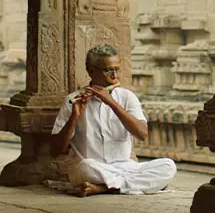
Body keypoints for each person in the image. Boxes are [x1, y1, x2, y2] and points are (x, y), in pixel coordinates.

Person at [50, 44, 177, 197]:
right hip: (93, 168)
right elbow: (55, 151)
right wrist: (74, 117)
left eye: (116, 69)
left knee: (168, 166)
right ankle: (139, 185)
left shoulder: (127, 97)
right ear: (91, 71)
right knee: (84, 167)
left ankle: (103, 188)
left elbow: (142, 134)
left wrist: (111, 102)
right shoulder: (73, 100)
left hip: (125, 166)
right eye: (108, 70)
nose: (114, 76)